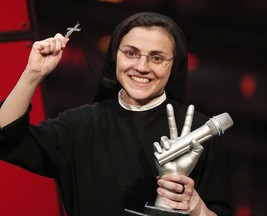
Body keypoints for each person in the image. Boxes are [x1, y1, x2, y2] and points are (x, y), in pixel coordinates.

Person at [0, 12, 234, 216]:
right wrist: (32, 73)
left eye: (157, 58)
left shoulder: (199, 132)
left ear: (174, 66)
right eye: (131, 53)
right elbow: (5, 139)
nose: (142, 66)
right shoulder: (79, 125)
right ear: (115, 56)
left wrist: (192, 203)